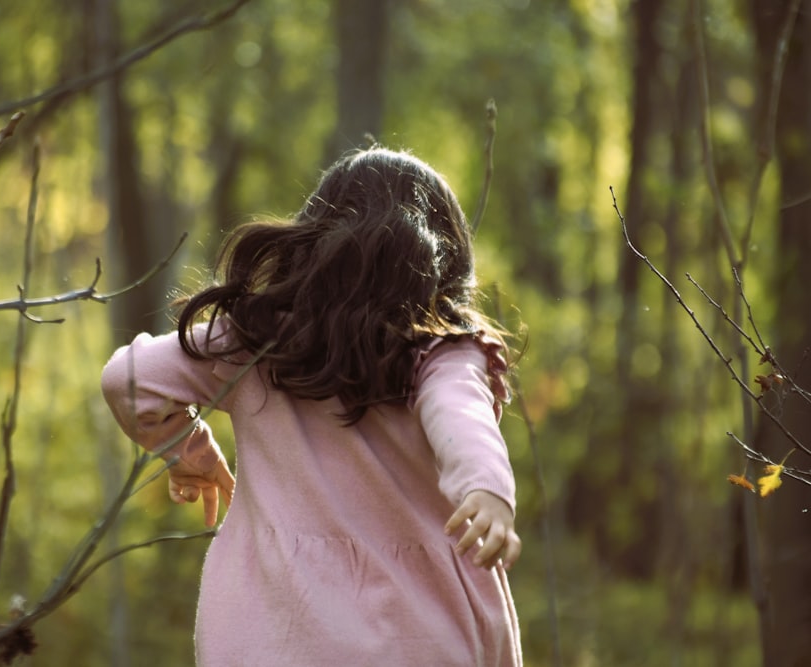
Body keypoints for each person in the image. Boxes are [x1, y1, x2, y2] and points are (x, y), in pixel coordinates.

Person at [101, 146, 522, 666]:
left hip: (273, 635)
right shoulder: (440, 352)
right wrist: (486, 489)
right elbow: (461, 416)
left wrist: (185, 449)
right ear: (445, 261)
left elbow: (129, 378)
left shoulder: (255, 344)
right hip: (420, 632)